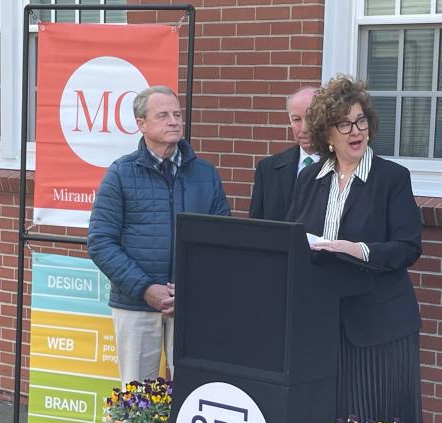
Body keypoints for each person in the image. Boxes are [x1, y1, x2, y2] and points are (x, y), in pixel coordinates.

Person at [287, 75, 430, 423]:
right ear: (325, 132)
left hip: (379, 325)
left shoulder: (391, 178)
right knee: (331, 420)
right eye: (345, 124)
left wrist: (359, 250)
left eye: (362, 121)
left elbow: (408, 246)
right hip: (323, 322)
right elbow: (292, 236)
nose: (356, 131)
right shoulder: (308, 179)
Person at [88, 85, 230, 385]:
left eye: (177, 114)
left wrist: (191, 289)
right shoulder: (121, 174)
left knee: (194, 391)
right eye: (163, 115)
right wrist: (145, 288)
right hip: (137, 304)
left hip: (191, 304)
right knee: (137, 396)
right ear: (141, 124)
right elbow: (101, 242)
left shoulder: (205, 174)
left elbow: (221, 239)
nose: (174, 121)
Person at [249, 86, 319, 221]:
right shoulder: (267, 169)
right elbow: (256, 227)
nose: (304, 128)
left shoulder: (343, 167)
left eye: (312, 118)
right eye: (297, 119)